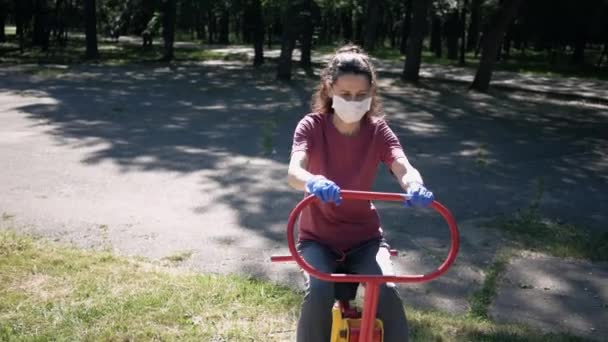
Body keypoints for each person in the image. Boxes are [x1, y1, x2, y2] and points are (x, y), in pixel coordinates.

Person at [287, 44, 435, 342]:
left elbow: (402, 165)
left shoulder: (377, 130)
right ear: (329, 89)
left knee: (387, 291)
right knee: (318, 291)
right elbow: (294, 171)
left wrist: (414, 185)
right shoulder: (312, 126)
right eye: (345, 95)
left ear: (372, 93)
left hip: (364, 239)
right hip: (318, 238)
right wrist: (312, 181)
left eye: (361, 96)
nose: (353, 102)